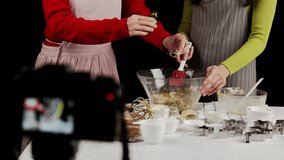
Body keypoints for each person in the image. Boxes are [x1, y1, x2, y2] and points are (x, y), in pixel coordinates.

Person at [34, 0, 192, 85]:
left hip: (104, 62)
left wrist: (165, 40)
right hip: (61, 64)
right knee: (52, 142)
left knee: (104, 139)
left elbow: (139, 12)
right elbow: (60, 24)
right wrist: (120, 27)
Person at [177, 0, 277, 97]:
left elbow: (259, 38)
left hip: (236, 78)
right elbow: (187, 24)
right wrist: (181, 39)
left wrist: (225, 69)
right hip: (196, 79)